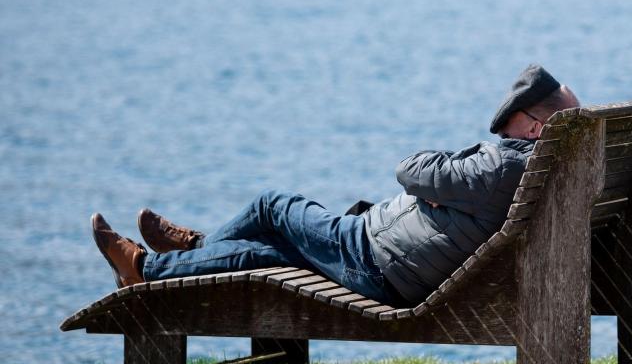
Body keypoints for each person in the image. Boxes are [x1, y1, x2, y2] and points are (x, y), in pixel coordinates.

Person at [91, 64, 580, 308]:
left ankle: (178, 254)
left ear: (534, 126)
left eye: (509, 125)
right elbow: (438, 183)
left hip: (374, 259)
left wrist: (435, 183)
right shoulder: (551, 166)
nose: (500, 135)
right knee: (266, 253)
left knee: (273, 206)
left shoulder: (501, 168)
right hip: (397, 263)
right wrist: (442, 190)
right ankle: (156, 266)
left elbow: (409, 169)